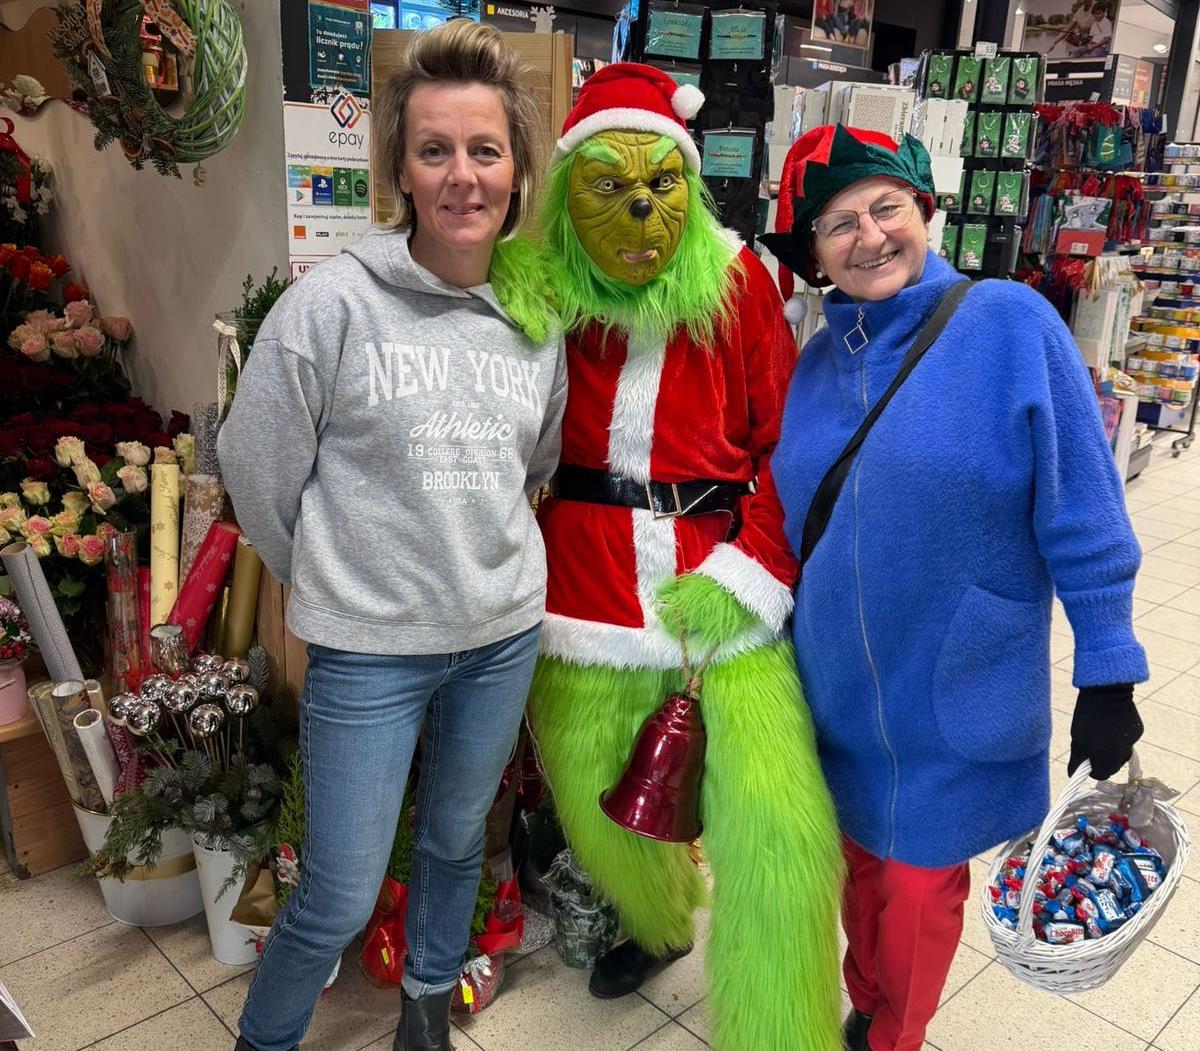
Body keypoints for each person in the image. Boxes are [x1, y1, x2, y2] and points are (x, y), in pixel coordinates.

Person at [217, 20, 566, 1051]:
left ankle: (425, 1010)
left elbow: (533, 464)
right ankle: (264, 1039)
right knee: (337, 888)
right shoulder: (329, 307)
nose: (463, 175)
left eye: (485, 150)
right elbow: (255, 467)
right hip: (369, 652)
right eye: (435, 150)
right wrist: (336, 576)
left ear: (516, 169)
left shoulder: (536, 319)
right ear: (401, 171)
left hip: (498, 635)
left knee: (457, 842)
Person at [761, 124, 1147, 1051]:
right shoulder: (814, 362)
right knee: (859, 867)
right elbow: (789, 515)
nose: (869, 236)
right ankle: (868, 1002)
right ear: (814, 254)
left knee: (917, 886)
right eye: (838, 224)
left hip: (952, 682)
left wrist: (1109, 667)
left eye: (885, 208)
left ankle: (895, 1034)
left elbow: (1084, 507)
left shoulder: (1010, 323)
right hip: (834, 686)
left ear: (923, 211)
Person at [523, 65, 843, 1051]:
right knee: (598, 804)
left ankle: (781, 1035)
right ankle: (659, 921)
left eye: (662, 183)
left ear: (689, 182)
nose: (640, 210)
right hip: (583, 592)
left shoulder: (738, 282)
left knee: (776, 824)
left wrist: (753, 567)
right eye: (610, 185)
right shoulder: (534, 284)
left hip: (721, 575)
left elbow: (787, 446)